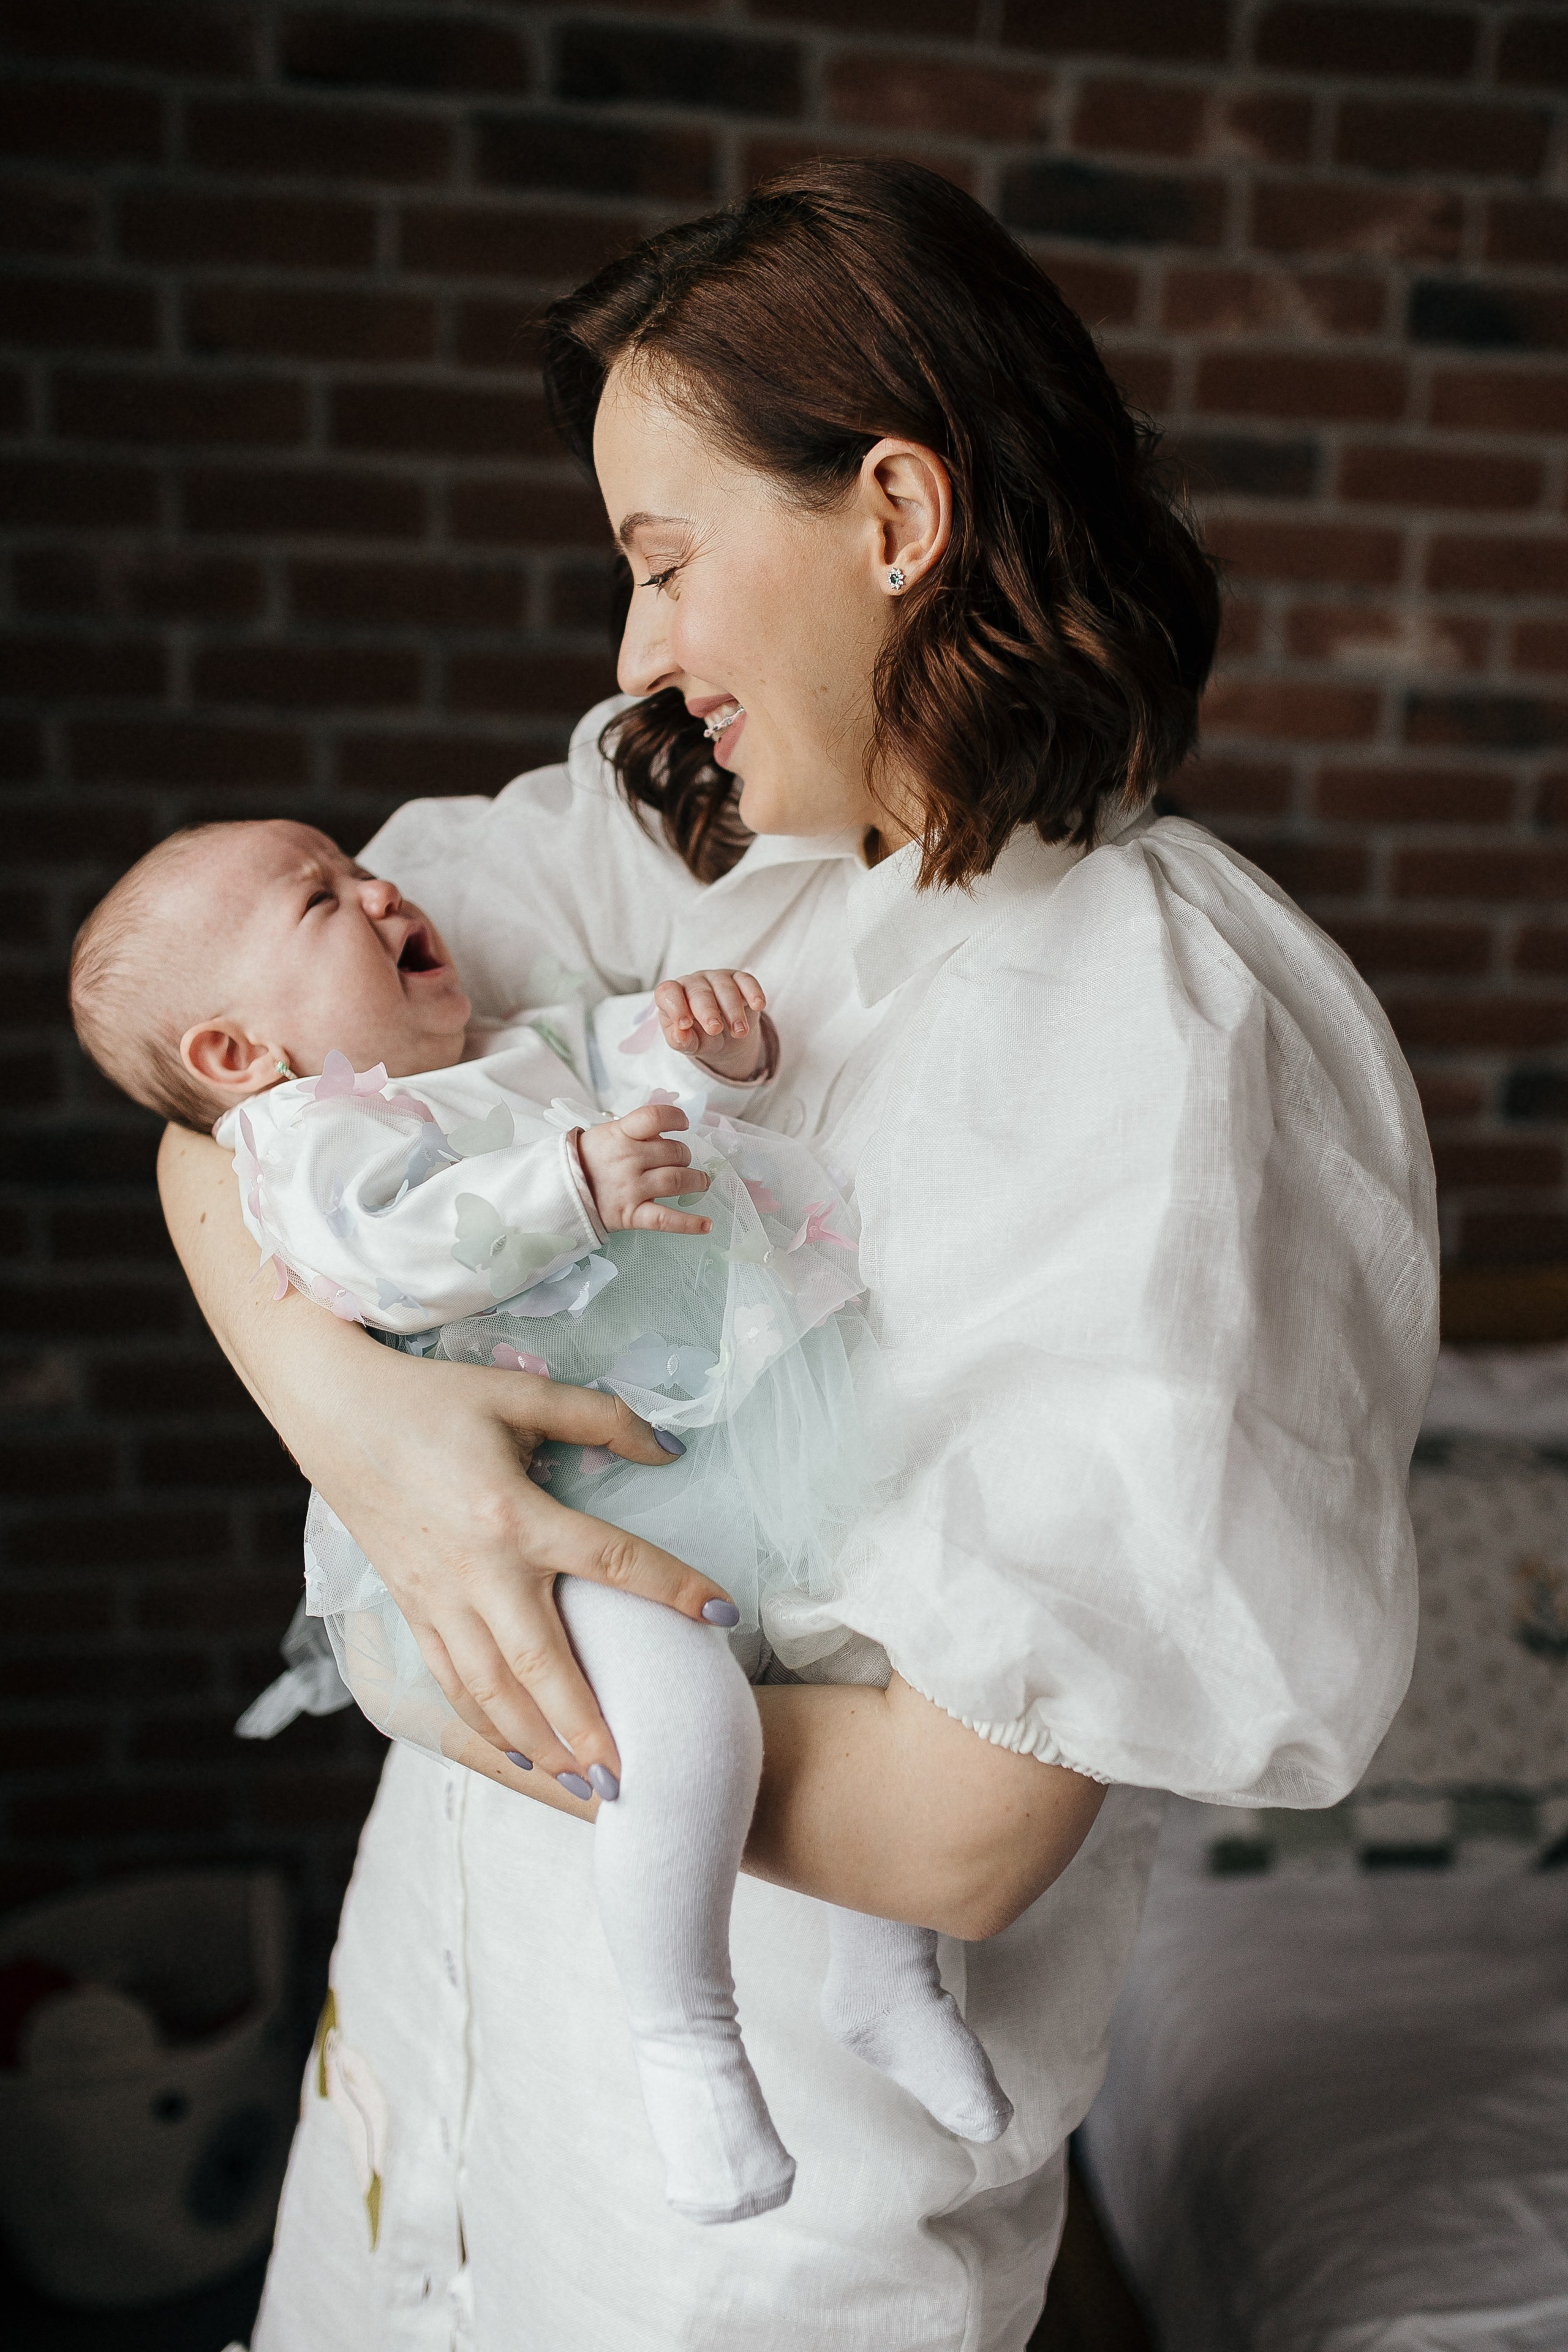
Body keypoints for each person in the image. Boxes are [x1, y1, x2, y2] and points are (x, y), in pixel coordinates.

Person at [155, 160, 1438, 2351]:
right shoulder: (697, 857)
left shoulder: (1165, 1034)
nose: (637, 646)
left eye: (664, 561)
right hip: (454, 2059)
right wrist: (378, 1438)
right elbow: (233, 1106)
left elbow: (962, 1837)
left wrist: (433, 1644)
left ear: (896, 517)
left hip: (752, 2226)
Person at [69, 816, 1012, 2227]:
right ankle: (685, 2039)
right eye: (323, 899)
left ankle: (886, 1982)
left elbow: (641, 1076)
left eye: (360, 869)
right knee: (684, 1719)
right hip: (552, 1517)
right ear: (233, 1057)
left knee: (876, 1639)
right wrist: (570, 1183)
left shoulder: (511, 1045)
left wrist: (712, 1053)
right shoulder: (307, 1141)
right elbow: (378, 1257)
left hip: (724, 1445)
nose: (385, 889)